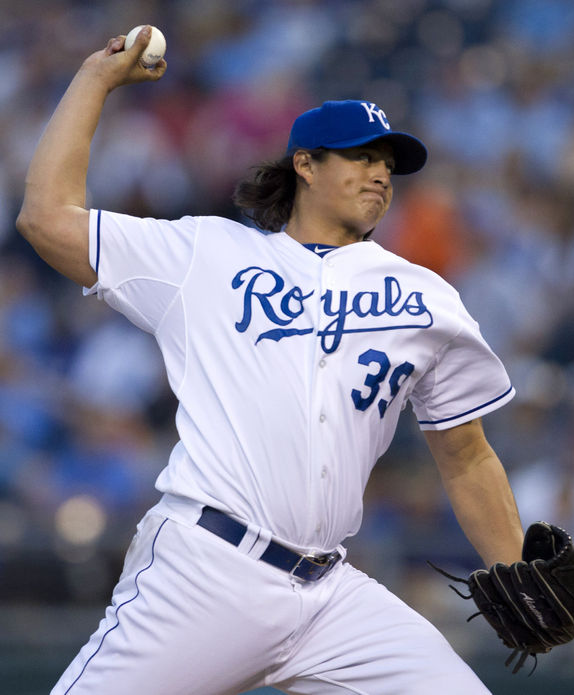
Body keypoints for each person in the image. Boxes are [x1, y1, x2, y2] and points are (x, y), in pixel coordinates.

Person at [18, 28, 524, 695]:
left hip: (332, 596)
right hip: (207, 571)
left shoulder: (425, 296)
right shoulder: (207, 254)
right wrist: (93, 81)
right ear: (305, 165)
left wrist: (516, 571)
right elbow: (46, 219)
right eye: (360, 156)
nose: (380, 173)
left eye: (387, 162)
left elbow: (467, 455)